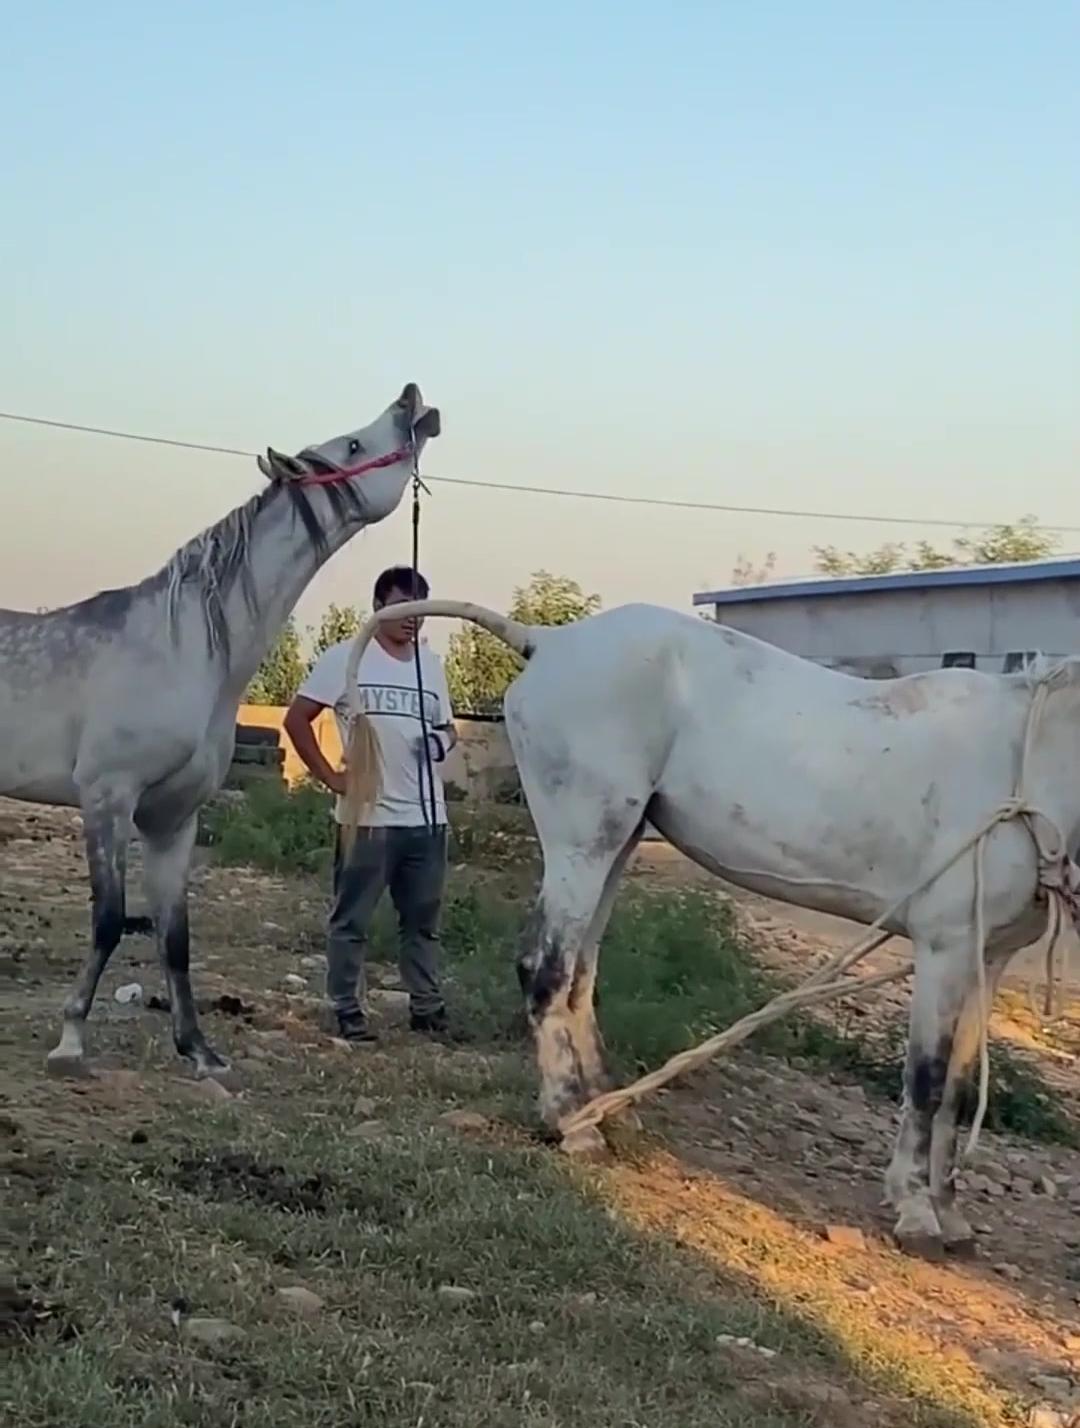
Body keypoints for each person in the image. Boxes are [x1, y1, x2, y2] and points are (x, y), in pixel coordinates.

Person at [284, 566, 457, 1043]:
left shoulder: (432, 666)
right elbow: (298, 720)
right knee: (352, 919)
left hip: (426, 819)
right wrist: (332, 778)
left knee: (422, 921)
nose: (412, 620)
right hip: (368, 819)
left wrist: (438, 743)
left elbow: (449, 729)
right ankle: (347, 1008)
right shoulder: (346, 660)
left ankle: (427, 1007)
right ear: (379, 606)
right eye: (403, 608)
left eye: (420, 610)